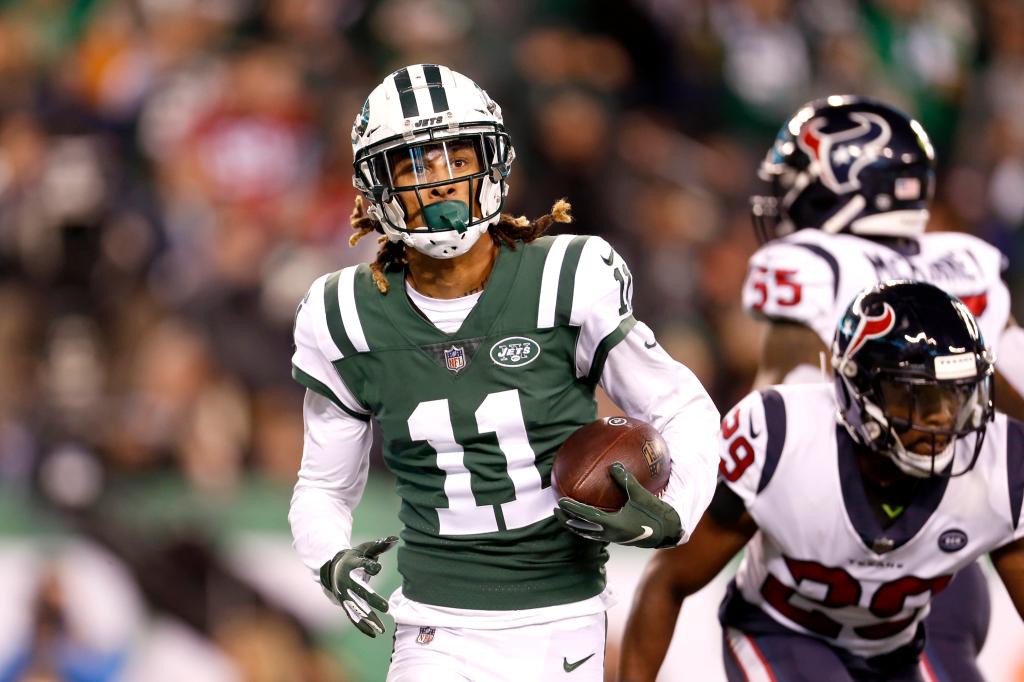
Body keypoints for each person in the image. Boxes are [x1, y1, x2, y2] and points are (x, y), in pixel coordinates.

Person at [287, 64, 720, 681]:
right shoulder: (342, 315)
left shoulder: (568, 277)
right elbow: (323, 487)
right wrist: (329, 556)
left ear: (491, 160)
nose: (440, 183)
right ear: (375, 187)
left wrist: (674, 508)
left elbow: (683, 408)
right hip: (434, 627)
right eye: (415, 166)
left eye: (453, 158)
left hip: (563, 619)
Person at [622, 95, 1023, 681]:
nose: (785, 205)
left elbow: (770, 391)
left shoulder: (816, 267)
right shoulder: (967, 262)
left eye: (798, 186)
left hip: (882, 528)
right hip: (877, 554)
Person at [620, 280, 1024, 681]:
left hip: (893, 651)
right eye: (918, 397)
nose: (942, 418)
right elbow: (669, 580)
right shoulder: (780, 438)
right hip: (779, 633)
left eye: (956, 396)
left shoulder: (1002, 461)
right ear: (859, 391)